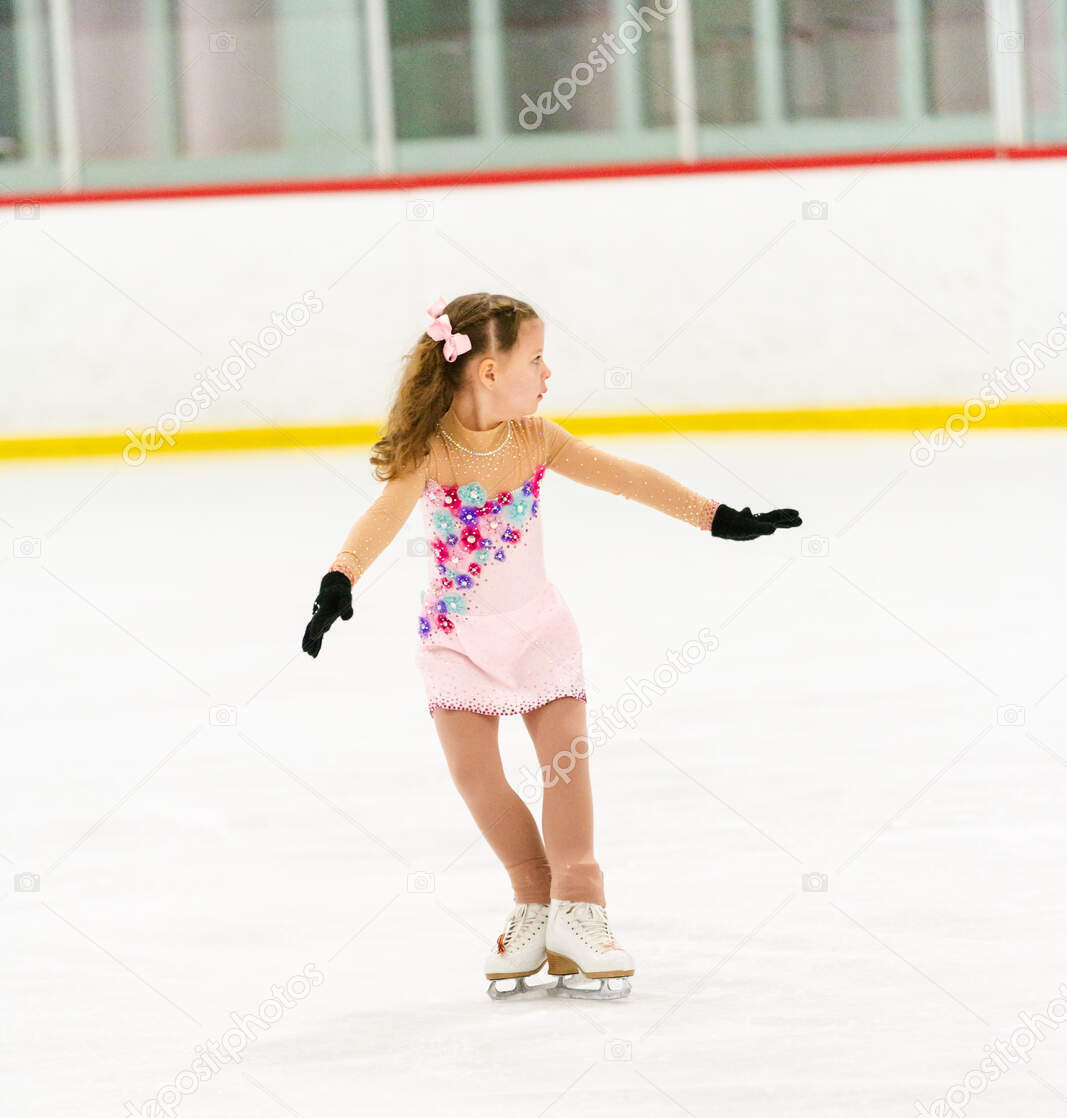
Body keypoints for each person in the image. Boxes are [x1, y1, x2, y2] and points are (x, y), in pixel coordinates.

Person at [302, 292, 801, 1000]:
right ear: (485, 371)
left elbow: (627, 478)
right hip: (458, 640)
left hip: (538, 631)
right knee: (477, 776)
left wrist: (716, 518)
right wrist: (338, 580)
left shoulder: (535, 437)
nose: (546, 374)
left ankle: (581, 906)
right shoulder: (432, 450)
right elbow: (382, 515)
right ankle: (534, 905)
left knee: (564, 761)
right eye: (534, 360)